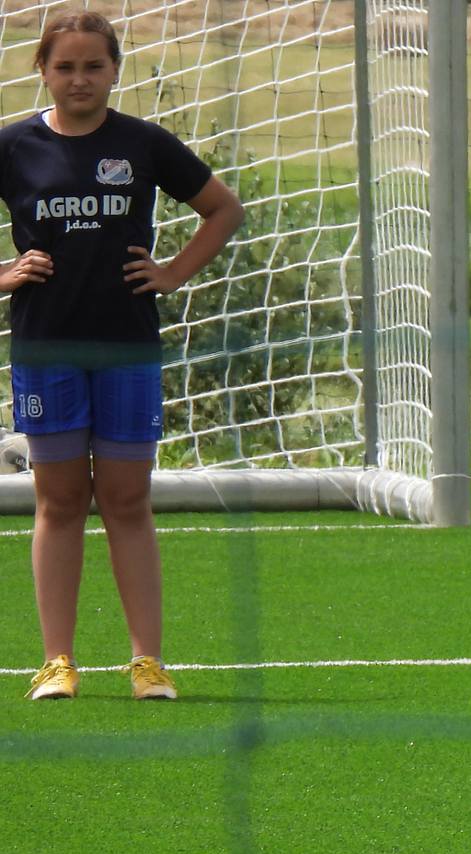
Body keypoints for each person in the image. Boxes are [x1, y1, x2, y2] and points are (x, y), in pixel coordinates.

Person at [1, 9, 242, 702]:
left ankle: (147, 663)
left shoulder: (143, 143)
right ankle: (57, 661)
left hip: (127, 348)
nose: (79, 78)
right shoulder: (13, 145)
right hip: (47, 346)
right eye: (65, 66)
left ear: (115, 70)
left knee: (128, 500)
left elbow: (224, 210)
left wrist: (172, 273)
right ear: (42, 71)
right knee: (59, 501)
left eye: (93, 66)